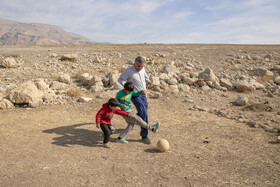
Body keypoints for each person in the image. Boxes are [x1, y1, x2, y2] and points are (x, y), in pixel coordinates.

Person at [118, 56, 153, 144]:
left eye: (141, 66)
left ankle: (133, 119)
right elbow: (120, 79)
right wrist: (127, 87)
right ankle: (144, 136)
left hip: (143, 94)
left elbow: (144, 75)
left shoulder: (143, 69)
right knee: (144, 113)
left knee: (143, 112)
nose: (139, 68)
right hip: (134, 95)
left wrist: (148, 80)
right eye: (137, 66)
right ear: (134, 63)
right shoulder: (128, 70)